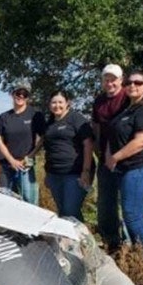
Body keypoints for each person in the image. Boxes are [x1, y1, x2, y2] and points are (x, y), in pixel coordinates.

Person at [105, 69, 143, 256]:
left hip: (141, 167)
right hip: (127, 169)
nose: (132, 86)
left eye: (138, 83)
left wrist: (115, 157)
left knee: (131, 214)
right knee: (141, 212)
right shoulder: (128, 109)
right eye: (129, 82)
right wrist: (108, 154)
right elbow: (112, 134)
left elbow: (142, 141)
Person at [92, 64, 129, 252]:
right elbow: (96, 126)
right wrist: (99, 149)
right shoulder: (99, 101)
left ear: (121, 80)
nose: (110, 83)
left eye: (113, 79)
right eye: (106, 79)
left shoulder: (128, 98)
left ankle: (133, 244)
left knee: (129, 202)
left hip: (127, 158)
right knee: (106, 202)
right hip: (105, 159)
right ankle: (111, 242)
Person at [43, 90, 94, 221]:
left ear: (67, 103)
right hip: (54, 174)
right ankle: (75, 239)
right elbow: (48, 149)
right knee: (63, 212)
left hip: (75, 173)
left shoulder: (76, 118)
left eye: (60, 102)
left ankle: (82, 240)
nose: (57, 105)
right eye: (54, 102)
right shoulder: (50, 123)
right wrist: (47, 174)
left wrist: (86, 171)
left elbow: (88, 144)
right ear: (49, 105)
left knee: (69, 211)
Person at [0, 81, 45, 204]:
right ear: (12, 94)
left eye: (24, 94)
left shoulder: (35, 115)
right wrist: (11, 160)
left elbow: (43, 138)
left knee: (29, 200)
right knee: (4, 200)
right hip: (6, 165)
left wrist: (29, 157)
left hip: (25, 165)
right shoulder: (4, 117)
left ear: (28, 97)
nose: (21, 96)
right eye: (18, 93)